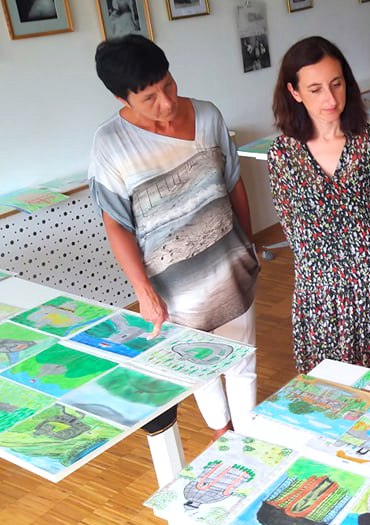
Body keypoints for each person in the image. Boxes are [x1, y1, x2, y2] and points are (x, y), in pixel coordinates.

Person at [89, 35, 260, 437]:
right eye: (149, 98)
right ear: (121, 98)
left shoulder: (207, 115)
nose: (166, 103)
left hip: (229, 265)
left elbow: (233, 183)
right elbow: (117, 224)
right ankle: (222, 434)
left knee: (242, 359)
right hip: (173, 286)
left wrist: (249, 244)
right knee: (198, 367)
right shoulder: (110, 144)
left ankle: (248, 438)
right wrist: (144, 291)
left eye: (168, 84)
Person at [268, 36, 370, 374]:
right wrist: (324, 264)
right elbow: (290, 221)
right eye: (315, 89)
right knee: (331, 387)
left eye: (336, 84)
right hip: (319, 291)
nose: (330, 98)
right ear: (294, 92)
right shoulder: (282, 155)